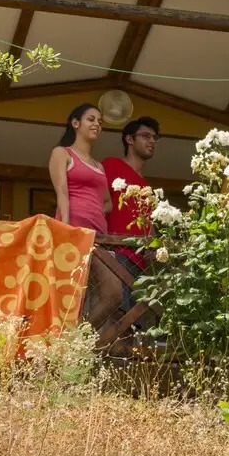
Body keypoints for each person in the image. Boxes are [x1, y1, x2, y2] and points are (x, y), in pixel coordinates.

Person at [48, 103, 120, 329]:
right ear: (75, 123)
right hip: (75, 233)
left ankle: (77, 339)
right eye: (91, 119)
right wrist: (65, 228)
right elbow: (62, 192)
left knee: (112, 294)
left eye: (100, 121)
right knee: (75, 296)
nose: (97, 124)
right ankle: (73, 340)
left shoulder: (99, 166)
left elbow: (108, 202)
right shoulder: (62, 153)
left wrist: (93, 209)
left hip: (100, 236)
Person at [102, 116, 160, 320]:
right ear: (129, 139)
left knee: (132, 323)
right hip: (114, 254)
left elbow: (149, 223)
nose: (151, 141)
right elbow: (97, 202)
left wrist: (155, 247)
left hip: (140, 263)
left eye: (154, 137)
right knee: (114, 316)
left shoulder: (147, 186)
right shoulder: (111, 165)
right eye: (145, 136)